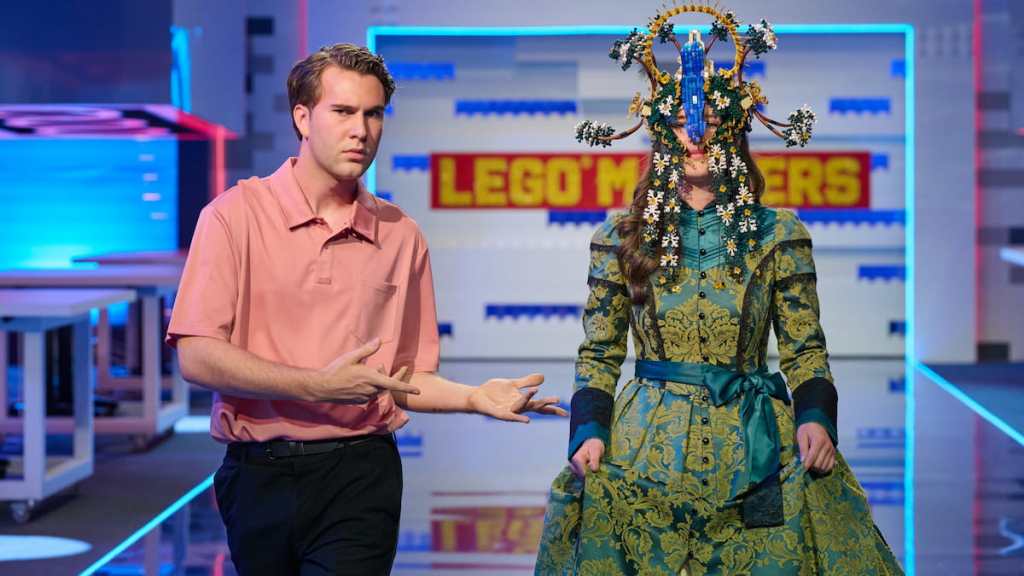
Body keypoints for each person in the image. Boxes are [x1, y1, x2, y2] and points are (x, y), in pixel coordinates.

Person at [167, 43, 566, 576]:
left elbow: (407, 376)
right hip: (258, 474)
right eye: (343, 112)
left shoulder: (402, 235)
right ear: (302, 117)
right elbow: (197, 355)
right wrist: (314, 384)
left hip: (362, 474)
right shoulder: (233, 217)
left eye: (373, 114)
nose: (361, 130)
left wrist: (473, 397)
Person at [535, 7, 904, 575]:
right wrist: (587, 430)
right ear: (661, 132)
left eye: (709, 117)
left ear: (735, 125)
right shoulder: (620, 236)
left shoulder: (778, 233)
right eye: (683, 122)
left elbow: (805, 347)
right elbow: (600, 350)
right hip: (644, 450)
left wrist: (816, 418)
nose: (697, 135)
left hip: (756, 444)